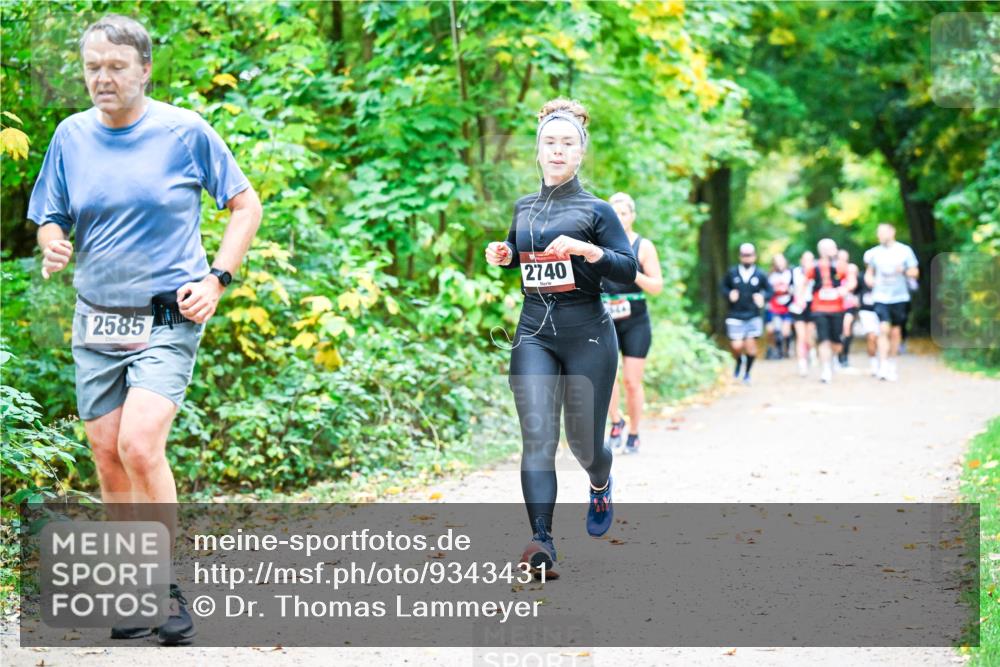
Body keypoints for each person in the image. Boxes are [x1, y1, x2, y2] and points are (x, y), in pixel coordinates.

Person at [28, 15, 263, 644]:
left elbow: (246, 204)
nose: (102, 79)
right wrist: (54, 245)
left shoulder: (183, 132)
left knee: (138, 444)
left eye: (115, 67)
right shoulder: (70, 137)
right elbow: (50, 217)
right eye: (91, 68)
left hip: (168, 311)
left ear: (144, 70)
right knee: (106, 458)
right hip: (95, 316)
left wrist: (218, 278)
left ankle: (169, 585)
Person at [484, 99, 637, 575]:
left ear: (580, 152)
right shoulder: (524, 207)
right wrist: (506, 253)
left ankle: (599, 481)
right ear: (538, 150)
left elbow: (627, 272)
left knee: (584, 445)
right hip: (533, 333)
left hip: (588, 335)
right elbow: (523, 256)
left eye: (567, 143)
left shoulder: (597, 211)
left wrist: (589, 250)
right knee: (538, 437)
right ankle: (542, 542)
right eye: (549, 142)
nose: (557, 151)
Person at [601, 192, 663, 455]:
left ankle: (634, 432)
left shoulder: (643, 246)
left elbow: (657, 286)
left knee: (631, 381)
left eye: (624, 213)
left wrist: (631, 271)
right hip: (605, 316)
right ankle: (616, 421)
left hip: (635, 318)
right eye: (614, 213)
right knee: (605, 378)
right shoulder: (598, 244)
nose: (619, 217)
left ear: (632, 217)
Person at [863, 223, 919, 381]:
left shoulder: (904, 251)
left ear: (892, 232)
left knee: (895, 332)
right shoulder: (874, 253)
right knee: (883, 329)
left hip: (899, 297)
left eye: (883, 232)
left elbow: (915, 271)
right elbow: (869, 273)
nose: (880, 235)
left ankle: (892, 363)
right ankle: (883, 365)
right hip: (880, 297)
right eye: (878, 233)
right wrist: (869, 280)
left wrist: (904, 271)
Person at [805, 239, 856, 383]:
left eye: (833, 247)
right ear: (821, 250)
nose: (832, 250)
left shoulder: (842, 266)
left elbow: (852, 282)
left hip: (838, 308)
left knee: (836, 343)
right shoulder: (814, 266)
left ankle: (833, 359)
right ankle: (825, 369)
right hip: (819, 308)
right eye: (828, 248)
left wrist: (843, 290)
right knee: (823, 339)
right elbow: (804, 282)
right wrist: (802, 299)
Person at [720, 243, 772, 385]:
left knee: (750, 346)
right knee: (736, 346)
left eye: (749, 255)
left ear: (754, 256)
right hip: (735, 314)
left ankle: (747, 373)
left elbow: (769, 290)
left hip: (753, 314)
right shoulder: (732, 273)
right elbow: (722, 287)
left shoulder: (760, 274)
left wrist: (763, 297)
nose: (747, 258)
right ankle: (739, 361)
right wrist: (729, 294)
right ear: (740, 256)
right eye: (744, 255)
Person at [790, 251, 816, 377]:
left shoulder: (817, 273)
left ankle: (812, 352)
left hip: (812, 306)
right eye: (806, 260)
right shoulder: (794, 272)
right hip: (798, 306)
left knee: (809, 337)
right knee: (801, 336)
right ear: (801, 260)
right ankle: (802, 364)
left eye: (810, 260)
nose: (808, 263)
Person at [855, 252, 882, 376]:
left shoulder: (883, 277)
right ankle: (874, 364)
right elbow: (855, 291)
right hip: (866, 311)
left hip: (882, 309)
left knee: (881, 337)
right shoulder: (860, 277)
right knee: (871, 337)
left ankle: (883, 362)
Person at [765, 253, 794, 359]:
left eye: (781, 261)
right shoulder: (770, 276)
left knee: (786, 331)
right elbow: (767, 291)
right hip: (774, 306)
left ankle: (787, 348)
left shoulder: (791, 273)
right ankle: (778, 351)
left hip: (787, 306)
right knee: (774, 329)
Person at [836, 249, 861, 369]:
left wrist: (844, 290)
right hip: (835, 305)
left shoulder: (851, 269)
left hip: (848, 305)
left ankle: (844, 356)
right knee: (837, 332)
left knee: (847, 330)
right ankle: (837, 356)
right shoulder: (832, 269)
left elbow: (853, 284)